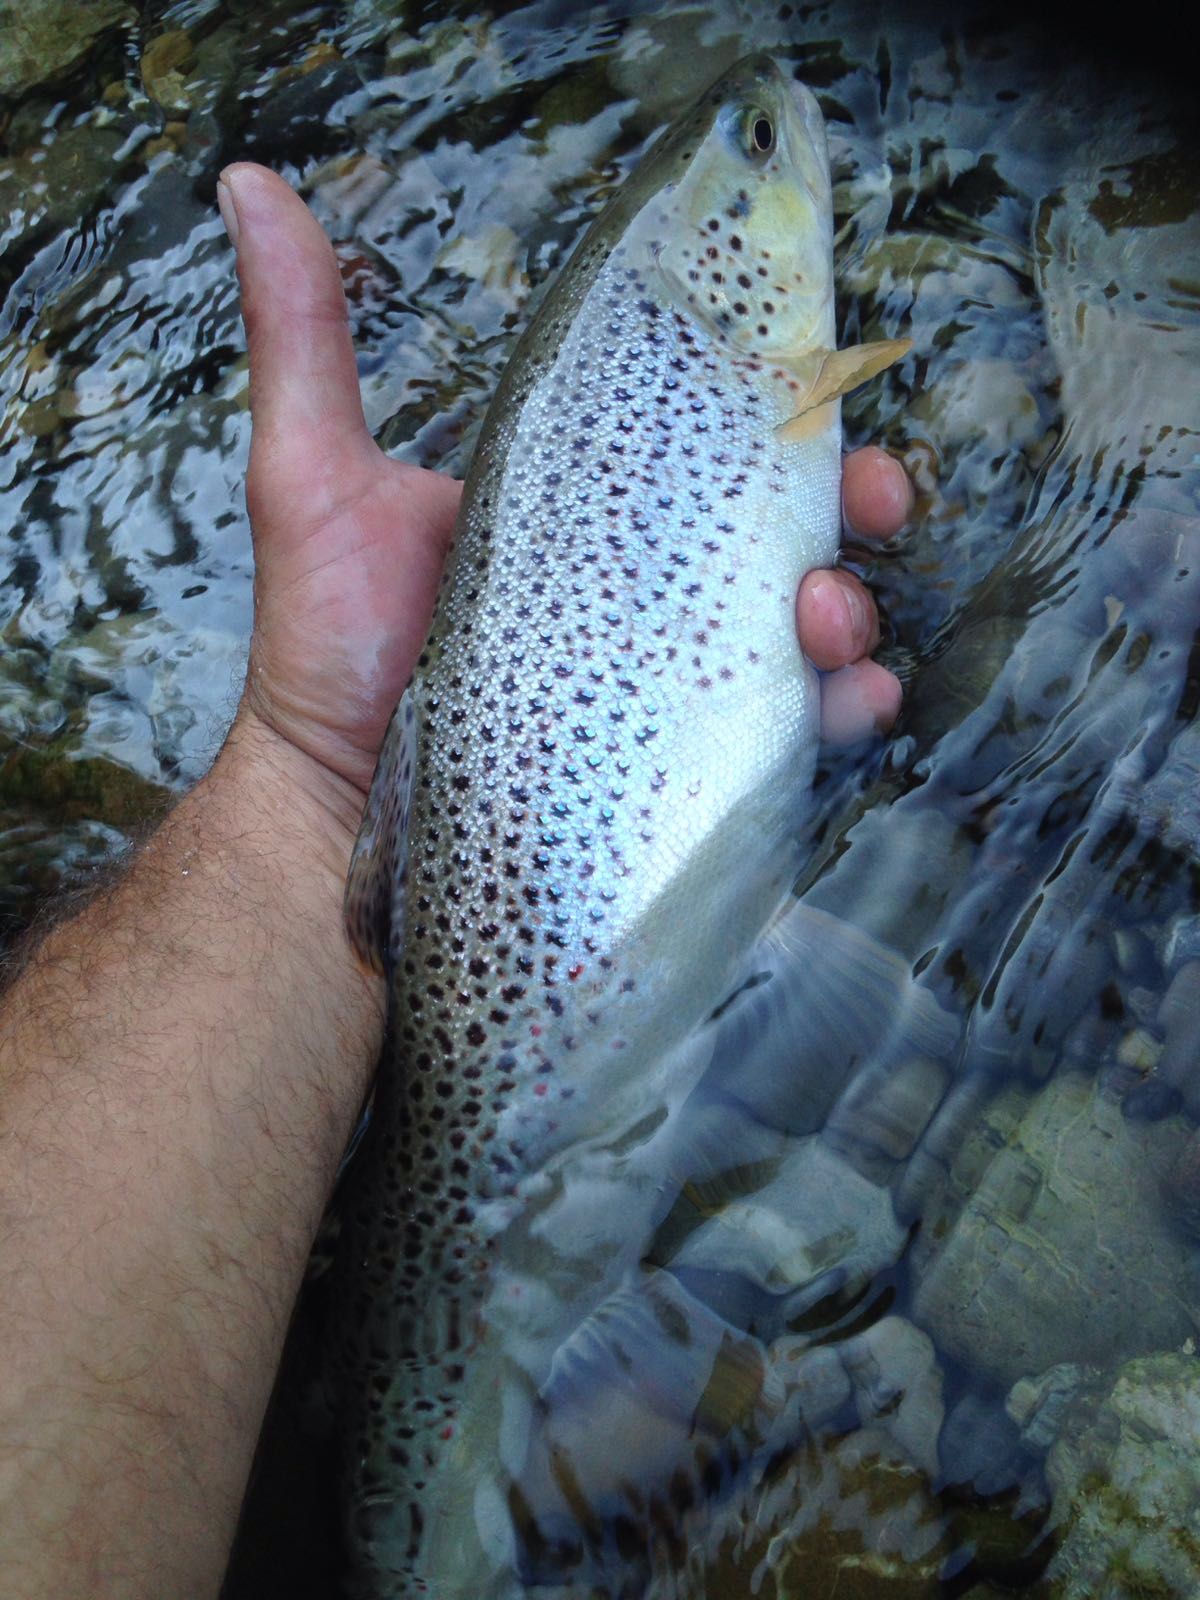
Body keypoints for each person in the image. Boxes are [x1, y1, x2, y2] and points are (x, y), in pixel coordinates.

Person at [0, 163, 913, 1597]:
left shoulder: (739, 349)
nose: (784, 150)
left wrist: (313, 780)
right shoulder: (766, 353)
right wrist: (321, 779)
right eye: (751, 154)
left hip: (537, 1038)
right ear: (722, 269)